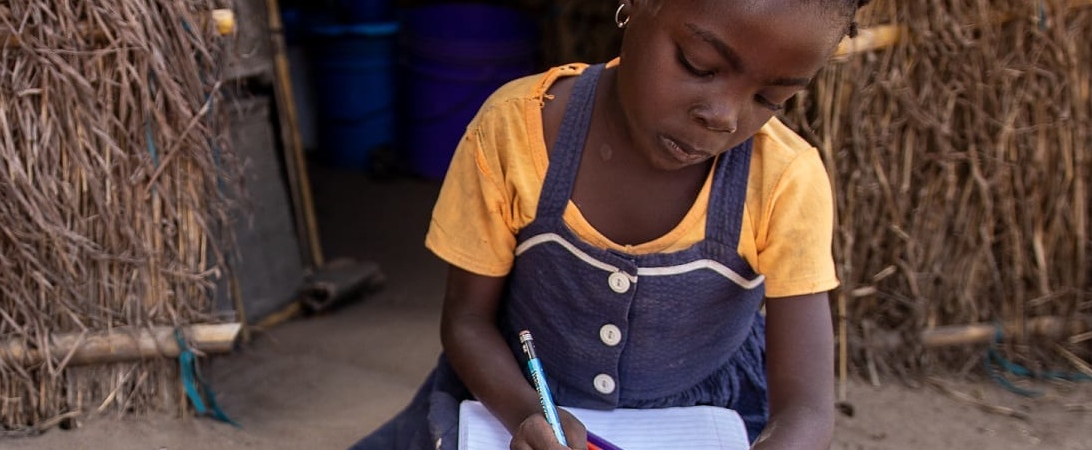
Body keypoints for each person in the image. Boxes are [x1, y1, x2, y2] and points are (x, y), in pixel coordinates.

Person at [352, 0, 871, 449]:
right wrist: (526, 413)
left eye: (770, 100)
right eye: (699, 64)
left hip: (714, 417)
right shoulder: (512, 133)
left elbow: (806, 406)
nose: (724, 116)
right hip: (513, 399)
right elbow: (466, 322)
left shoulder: (784, 179)